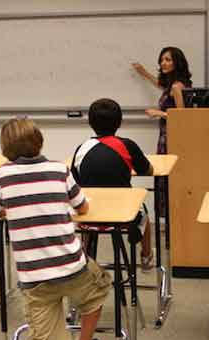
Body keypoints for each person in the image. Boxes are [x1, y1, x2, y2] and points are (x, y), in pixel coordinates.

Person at [0, 118, 112, 340]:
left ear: (6, 148)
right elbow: (82, 207)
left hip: (34, 277)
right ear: (39, 141)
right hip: (71, 266)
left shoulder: (1, 176)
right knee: (99, 288)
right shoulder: (59, 170)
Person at [71, 98, 155, 270]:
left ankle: (85, 258)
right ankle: (146, 256)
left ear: (90, 123)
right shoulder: (127, 145)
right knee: (145, 213)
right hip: (124, 216)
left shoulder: (82, 148)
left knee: (87, 207)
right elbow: (148, 170)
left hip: (89, 217)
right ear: (120, 122)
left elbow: (76, 182)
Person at [132, 46, 192, 215]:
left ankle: (172, 215)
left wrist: (158, 113)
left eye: (168, 60)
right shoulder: (170, 85)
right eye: (162, 60)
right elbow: (159, 84)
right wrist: (144, 73)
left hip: (171, 137)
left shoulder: (177, 87)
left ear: (177, 62)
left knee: (168, 176)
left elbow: (182, 117)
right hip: (165, 135)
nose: (163, 63)